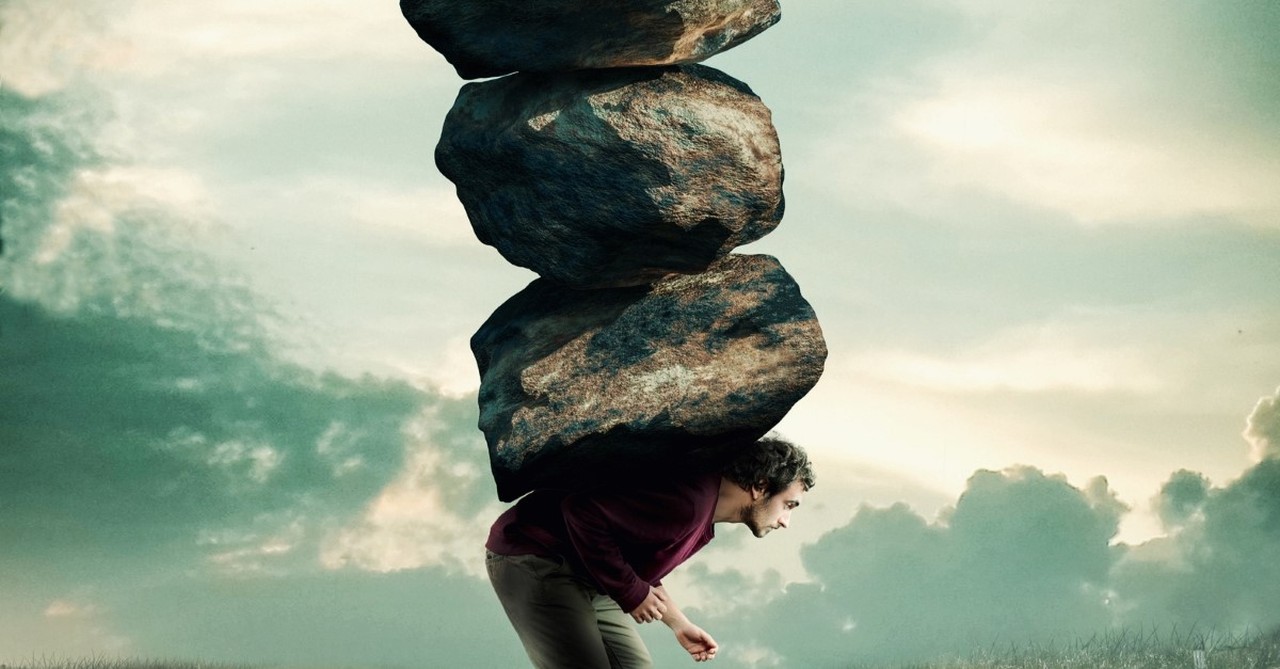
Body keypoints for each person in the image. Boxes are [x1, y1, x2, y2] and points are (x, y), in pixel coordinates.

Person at [484, 435, 815, 668]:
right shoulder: (689, 502)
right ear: (759, 487)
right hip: (534, 556)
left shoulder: (701, 513)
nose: (786, 521)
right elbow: (580, 511)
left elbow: (634, 564)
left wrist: (678, 623)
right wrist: (630, 592)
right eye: (788, 505)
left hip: (589, 574)